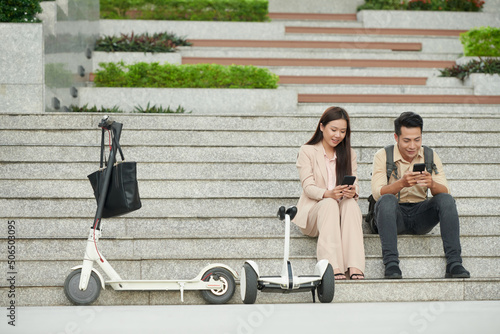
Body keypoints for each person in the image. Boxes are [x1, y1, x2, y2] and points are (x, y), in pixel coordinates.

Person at [371, 111, 470, 279]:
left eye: (417, 140)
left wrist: (432, 184)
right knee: (387, 200)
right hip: (394, 216)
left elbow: (445, 190)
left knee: (446, 199)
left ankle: (454, 263)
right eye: (407, 140)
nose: (412, 146)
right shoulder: (383, 156)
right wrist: (400, 183)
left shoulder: (430, 155)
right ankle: (391, 264)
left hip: (421, 214)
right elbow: (376, 193)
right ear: (396, 137)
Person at [293, 106, 365, 280]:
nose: (337, 135)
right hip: (315, 213)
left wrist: (352, 191)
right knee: (329, 203)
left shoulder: (349, 154)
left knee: (351, 204)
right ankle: (331, 266)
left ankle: (355, 266)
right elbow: (308, 187)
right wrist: (329, 194)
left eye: (342, 131)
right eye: (333, 130)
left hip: (340, 212)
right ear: (322, 127)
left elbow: (355, 182)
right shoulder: (307, 151)